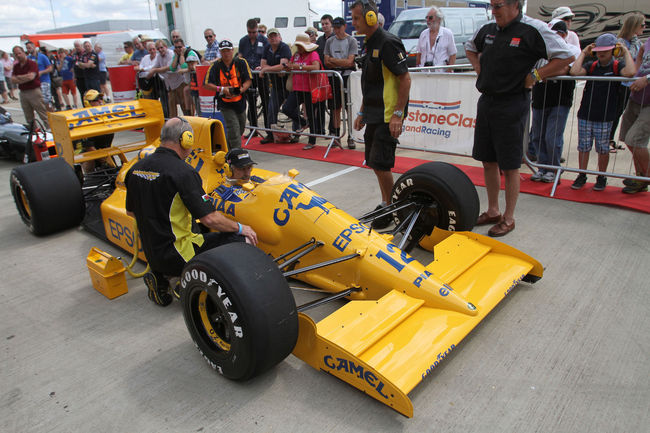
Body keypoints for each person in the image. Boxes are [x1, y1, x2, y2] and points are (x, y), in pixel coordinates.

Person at [465, 0, 574, 237]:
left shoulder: (533, 29)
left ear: (516, 5)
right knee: (487, 160)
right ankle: (493, 210)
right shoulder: (488, 29)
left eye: (498, 6)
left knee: (511, 165)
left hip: (513, 103)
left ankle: (509, 217)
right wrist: (479, 69)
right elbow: (470, 47)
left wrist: (536, 75)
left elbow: (567, 55)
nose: (493, 11)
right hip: (487, 101)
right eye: (492, 6)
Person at [125, 117, 257, 306]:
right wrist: (241, 228)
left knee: (193, 229)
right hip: (178, 254)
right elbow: (210, 219)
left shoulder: (135, 169)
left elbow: (132, 213)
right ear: (185, 139)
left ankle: (162, 278)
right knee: (244, 240)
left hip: (152, 255)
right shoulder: (183, 172)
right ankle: (187, 282)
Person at [351, 0, 411, 228]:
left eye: (357, 18)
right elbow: (372, 83)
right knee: (375, 163)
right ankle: (387, 202)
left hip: (388, 116)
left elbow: (405, 79)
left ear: (371, 19)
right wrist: (362, 112)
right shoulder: (370, 44)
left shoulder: (387, 43)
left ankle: (392, 207)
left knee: (382, 163)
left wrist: (398, 114)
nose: (353, 23)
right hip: (374, 114)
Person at [569, 33, 635, 191]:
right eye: (599, 50)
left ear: (614, 50)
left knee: (603, 148)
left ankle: (601, 176)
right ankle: (582, 174)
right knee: (583, 146)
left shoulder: (617, 66)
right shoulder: (591, 65)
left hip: (605, 116)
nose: (601, 53)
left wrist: (625, 51)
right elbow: (574, 72)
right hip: (586, 113)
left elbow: (630, 72)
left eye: (606, 50)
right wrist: (584, 53)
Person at [529, 19, 581, 183]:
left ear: (564, 35)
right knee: (537, 136)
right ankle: (542, 167)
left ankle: (553, 168)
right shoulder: (540, 49)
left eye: (557, 34)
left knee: (552, 137)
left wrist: (540, 74)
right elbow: (531, 71)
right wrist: (540, 74)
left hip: (560, 99)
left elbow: (566, 68)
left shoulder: (571, 49)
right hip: (539, 98)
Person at [204, 39, 252, 150]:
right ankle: (237, 155)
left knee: (240, 128)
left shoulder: (241, 62)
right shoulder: (215, 66)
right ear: (220, 52)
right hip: (225, 103)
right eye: (223, 51)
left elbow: (248, 80)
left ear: (232, 50)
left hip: (240, 101)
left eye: (228, 50)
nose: (226, 53)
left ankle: (227, 150)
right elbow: (206, 84)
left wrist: (240, 90)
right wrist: (221, 89)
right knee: (233, 128)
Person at [281, 34, 325, 150]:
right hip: (297, 88)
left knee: (311, 113)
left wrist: (299, 67)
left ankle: (312, 140)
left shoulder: (313, 54)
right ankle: (303, 121)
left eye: (300, 46)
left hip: (310, 88)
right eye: (298, 45)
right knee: (286, 108)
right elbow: (291, 65)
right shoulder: (295, 55)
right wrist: (288, 67)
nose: (299, 48)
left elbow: (315, 67)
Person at [610, 13, 646, 152]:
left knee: (622, 112)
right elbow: (623, 60)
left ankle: (614, 139)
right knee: (616, 111)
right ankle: (608, 139)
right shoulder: (620, 42)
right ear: (634, 26)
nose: (644, 28)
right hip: (621, 83)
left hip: (632, 83)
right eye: (642, 25)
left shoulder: (638, 42)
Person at [618, 37, 650, 194]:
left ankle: (647, 176)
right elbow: (640, 57)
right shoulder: (647, 42)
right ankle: (641, 177)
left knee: (635, 139)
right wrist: (635, 75)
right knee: (626, 137)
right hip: (636, 97)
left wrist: (647, 78)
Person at [324, 16, 358, 146]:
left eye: (339, 27)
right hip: (334, 76)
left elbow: (350, 61)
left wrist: (335, 61)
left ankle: (351, 136)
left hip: (347, 77)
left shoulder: (351, 41)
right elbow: (327, 61)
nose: (337, 30)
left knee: (348, 107)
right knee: (335, 107)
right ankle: (336, 135)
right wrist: (339, 62)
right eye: (335, 28)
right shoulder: (330, 41)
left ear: (344, 27)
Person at [260, 28, 292, 143]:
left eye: (275, 35)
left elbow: (283, 65)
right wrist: (269, 68)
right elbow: (262, 65)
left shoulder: (284, 47)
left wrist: (268, 68)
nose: (273, 38)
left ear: (280, 37)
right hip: (276, 85)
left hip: (288, 85)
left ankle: (297, 131)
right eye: (271, 36)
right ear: (268, 38)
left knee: (291, 109)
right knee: (271, 110)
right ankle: (270, 134)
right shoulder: (267, 48)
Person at [239, 19, 270, 137]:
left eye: (254, 32)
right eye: (249, 32)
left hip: (261, 75)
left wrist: (262, 66)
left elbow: (267, 56)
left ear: (257, 30)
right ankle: (253, 129)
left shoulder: (264, 40)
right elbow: (241, 56)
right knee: (251, 103)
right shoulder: (243, 41)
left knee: (265, 101)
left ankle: (268, 130)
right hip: (248, 76)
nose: (252, 35)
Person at [11, 46, 49, 129]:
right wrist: (24, 77)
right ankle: (34, 132)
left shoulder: (32, 64)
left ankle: (50, 130)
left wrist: (18, 78)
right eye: (16, 54)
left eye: (19, 53)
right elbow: (13, 80)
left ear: (24, 53)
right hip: (23, 92)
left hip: (34, 91)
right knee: (28, 116)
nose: (18, 55)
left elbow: (31, 77)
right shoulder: (16, 66)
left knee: (42, 113)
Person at [167, 38, 194, 117]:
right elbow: (172, 68)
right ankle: (187, 118)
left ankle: (191, 118)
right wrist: (176, 56)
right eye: (176, 47)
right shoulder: (177, 55)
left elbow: (184, 65)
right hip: (185, 82)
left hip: (193, 82)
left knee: (189, 103)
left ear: (184, 46)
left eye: (180, 47)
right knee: (182, 102)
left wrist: (182, 55)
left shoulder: (189, 53)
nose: (178, 49)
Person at [148, 40, 175, 117]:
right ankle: (171, 121)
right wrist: (151, 71)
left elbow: (168, 68)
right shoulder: (159, 56)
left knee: (183, 104)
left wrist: (155, 70)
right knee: (171, 104)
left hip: (177, 82)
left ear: (166, 47)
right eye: (158, 48)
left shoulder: (170, 53)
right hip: (168, 84)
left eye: (161, 47)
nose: (160, 50)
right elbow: (155, 66)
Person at [25, 41, 53, 110]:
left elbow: (50, 68)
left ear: (34, 47)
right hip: (34, 83)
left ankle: (51, 113)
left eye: (29, 48)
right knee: (38, 101)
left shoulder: (42, 56)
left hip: (44, 81)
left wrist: (41, 72)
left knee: (46, 100)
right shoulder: (28, 58)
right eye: (27, 48)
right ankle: (45, 115)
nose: (28, 50)